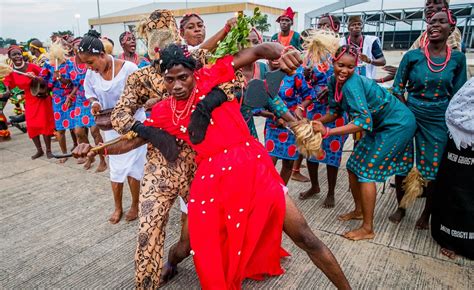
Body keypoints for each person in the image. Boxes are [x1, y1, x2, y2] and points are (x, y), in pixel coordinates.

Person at [139, 43, 351, 289]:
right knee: (187, 245)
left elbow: (260, 50)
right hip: (211, 182)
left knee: (306, 237)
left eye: (183, 77)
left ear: (194, 73)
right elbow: (131, 140)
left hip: (254, 169)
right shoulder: (166, 111)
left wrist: (284, 54)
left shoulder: (214, 77)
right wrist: (92, 147)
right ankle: (172, 263)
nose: (176, 85)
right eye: (169, 80)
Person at [312, 45, 417, 241]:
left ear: (356, 67)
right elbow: (335, 112)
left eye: (350, 67)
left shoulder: (351, 84)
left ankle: (368, 228)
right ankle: (359, 210)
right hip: (380, 125)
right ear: (332, 63)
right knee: (352, 166)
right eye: (340, 65)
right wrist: (316, 123)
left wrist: (327, 132)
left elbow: (363, 121)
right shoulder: (334, 80)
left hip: (398, 125)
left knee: (367, 172)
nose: (344, 70)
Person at [389, 9, 467, 229]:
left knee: (432, 168)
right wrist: (405, 113)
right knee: (402, 164)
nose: (434, 25)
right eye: (431, 22)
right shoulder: (413, 56)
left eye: (441, 22)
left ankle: (426, 214)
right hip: (410, 112)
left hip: (438, 119)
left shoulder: (458, 59)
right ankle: (401, 207)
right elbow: (397, 88)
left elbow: (459, 95)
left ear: (451, 29)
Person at [78, 30, 147, 224]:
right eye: (85, 64)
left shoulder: (129, 68)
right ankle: (118, 207)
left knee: (135, 169)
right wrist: (94, 103)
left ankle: (135, 204)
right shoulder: (92, 74)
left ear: (102, 54)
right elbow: (89, 92)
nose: (89, 68)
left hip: (133, 126)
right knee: (115, 169)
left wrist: (127, 110)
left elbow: (143, 94)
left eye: (90, 62)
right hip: (109, 128)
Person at [300, 14, 349, 209]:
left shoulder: (341, 51)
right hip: (315, 109)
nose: (321, 28)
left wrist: (332, 86)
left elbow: (351, 73)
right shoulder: (310, 55)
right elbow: (303, 84)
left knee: (333, 154)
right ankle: (315, 186)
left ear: (334, 28)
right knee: (312, 149)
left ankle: (330, 192)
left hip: (335, 110)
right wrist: (307, 76)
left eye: (325, 25)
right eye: (319, 25)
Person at [431, 77, 474, 260]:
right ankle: (450, 239)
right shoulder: (470, 86)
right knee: (453, 191)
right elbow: (455, 110)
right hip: (460, 143)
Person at [2, 45, 55, 158]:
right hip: (29, 100)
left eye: (19, 54)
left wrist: (36, 78)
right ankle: (39, 150)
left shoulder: (32, 66)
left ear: (22, 55)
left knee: (44, 124)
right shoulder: (12, 71)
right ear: (10, 57)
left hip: (41, 98)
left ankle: (49, 151)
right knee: (32, 125)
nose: (17, 56)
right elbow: (8, 83)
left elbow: (46, 78)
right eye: (14, 54)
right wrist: (7, 90)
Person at [264, 63, 312, 185]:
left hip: (292, 125)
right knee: (269, 163)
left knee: (288, 163)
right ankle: (267, 193)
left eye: (278, 56)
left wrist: (300, 108)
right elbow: (256, 106)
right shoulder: (263, 74)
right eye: (272, 57)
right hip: (273, 125)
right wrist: (275, 117)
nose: (275, 60)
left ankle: (281, 192)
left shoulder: (294, 75)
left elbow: (309, 96)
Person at [66, 36, 107, 171]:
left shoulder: (92, 61)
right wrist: (60, 79)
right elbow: (69, 83)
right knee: (79, 132)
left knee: (95, 132)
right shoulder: (71, 64)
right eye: (76, 46)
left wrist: (96, 102)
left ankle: (102, 160)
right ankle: (89, 156)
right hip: (80, 101)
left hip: (93, 100)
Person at [39, 51, 76, 163]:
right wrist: (52, 78)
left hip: (70, 97)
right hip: (57, 98)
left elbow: (71, 82)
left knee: (74, 127)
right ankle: (64, 153)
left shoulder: (69, 64)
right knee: (60, 128)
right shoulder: (48, 65)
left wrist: (59, 78)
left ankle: (77, 147)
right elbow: (43, 81)